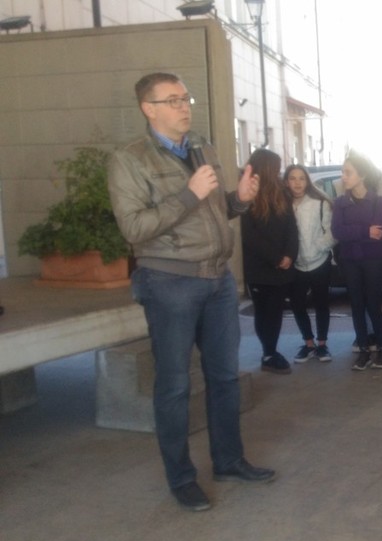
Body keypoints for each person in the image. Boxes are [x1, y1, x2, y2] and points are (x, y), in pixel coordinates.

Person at [108, 72, 275, 512]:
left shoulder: (202, 147)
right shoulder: (130, 160)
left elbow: (214, 211)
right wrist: (188, 194)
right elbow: (134, 228)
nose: (184, 107)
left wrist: (239, 199)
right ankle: (181, 478)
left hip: (217, 280)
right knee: (175, 385)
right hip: (169, 284)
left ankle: (229, 461)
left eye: (186, 98)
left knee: (225, 377)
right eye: (173, 100)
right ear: (149, 109)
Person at [241, 149, 299, 374]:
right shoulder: (248, 195)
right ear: (266, 169)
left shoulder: (282, 194)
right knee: (263, 311)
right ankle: (269, 353)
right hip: (259, 268)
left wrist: (289, 255)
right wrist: (276, 258)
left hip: (282, 266)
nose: (279, 173)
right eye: (276, 168)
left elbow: (291, 228)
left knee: (275, 311)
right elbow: (249, 236)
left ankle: (271, 352)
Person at [332, 152, 382, 371]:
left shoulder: (378, 201)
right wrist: (365, 231)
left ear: (362, 175)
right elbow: (337, 231)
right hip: (350, 261)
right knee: (356, 306)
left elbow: (378, 232)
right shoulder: (339, 203)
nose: (343, 176)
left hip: (373, 260)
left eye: (348, 172)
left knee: (374, 305)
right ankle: (364, 349)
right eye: (343, 172)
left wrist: (355, 232)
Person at [286, 164, 336, 363]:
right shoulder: (283, 205)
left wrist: (317, 248)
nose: (297, 183)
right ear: (286, 182)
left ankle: (322, 345)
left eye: (301, 178)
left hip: (319, 261)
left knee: (321, 304)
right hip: (295, 264)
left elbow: (331, 232)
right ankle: (308, 344)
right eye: (292, 178)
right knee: (297, 305)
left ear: (307, 181)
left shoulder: (320, 202)